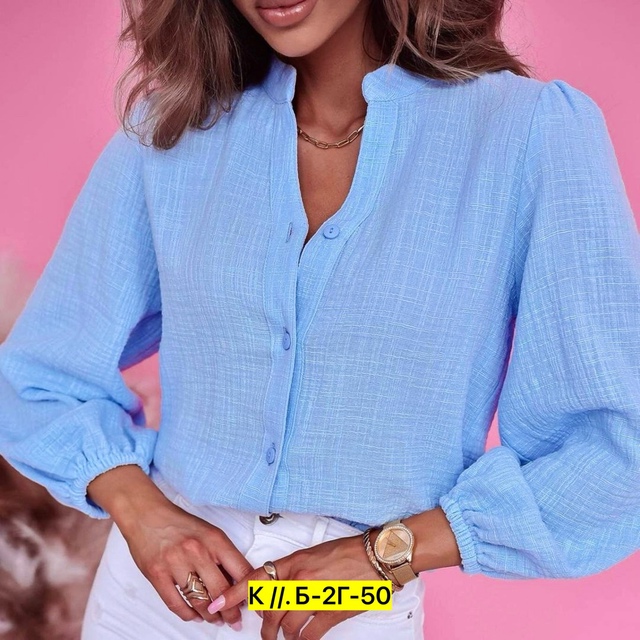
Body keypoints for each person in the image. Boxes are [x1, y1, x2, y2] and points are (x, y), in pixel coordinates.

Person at [1, 0, 639, 638]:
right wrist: (143, 513)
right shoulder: (175, 127)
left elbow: (616, 447)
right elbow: (37, 374)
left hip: (345, 609)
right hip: (154, 599)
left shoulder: (525, 133)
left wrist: (386, 554)